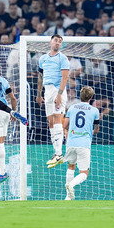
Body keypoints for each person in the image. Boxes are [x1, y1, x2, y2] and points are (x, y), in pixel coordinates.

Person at [36, 34, 69, 167]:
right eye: (56, 40)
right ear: (51, 42)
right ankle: (57, 153)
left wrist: (59, 95)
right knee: (50, 122)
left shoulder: (63, 58)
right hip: (47, 90)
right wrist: (38, 94)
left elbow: (65, 78)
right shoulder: (42, 58)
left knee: (57, 120)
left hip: (57, 90)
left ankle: (59, 154)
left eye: (60, 42)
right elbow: (40, 77)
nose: (57, 43)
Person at [62, 86, 100, 200]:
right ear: (91, 97)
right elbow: (96, 129)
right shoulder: (95, 110)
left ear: (80, 96)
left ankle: (68, 197)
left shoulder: (72, 108)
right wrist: (89, 132)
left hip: (71, 142)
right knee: (84, 173)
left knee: (71, 166)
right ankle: (71, 185)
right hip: (84, 144)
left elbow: (65, 126)